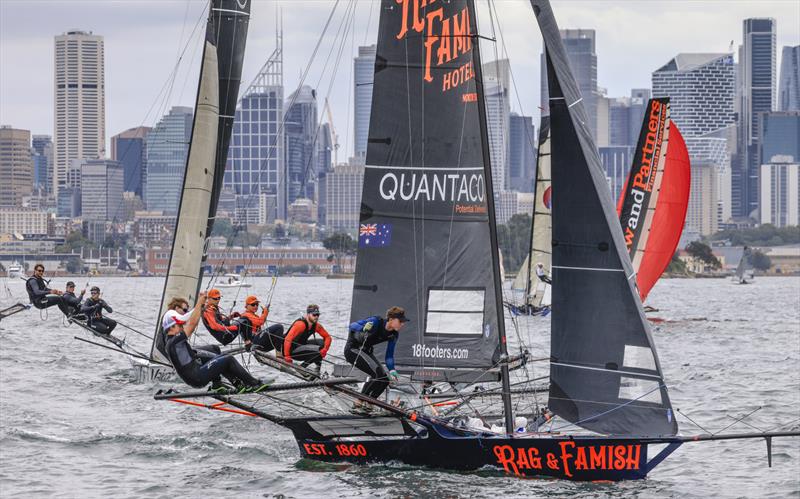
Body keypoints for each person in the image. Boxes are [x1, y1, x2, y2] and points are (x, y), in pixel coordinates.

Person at [164, 291, 266, 391]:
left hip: (194, 369)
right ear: (171, 327)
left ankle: (228, 384)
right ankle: (254, 384)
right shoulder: (175, 340)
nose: (182, 327)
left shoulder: (172, 339)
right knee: (228, 359)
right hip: (197, 377)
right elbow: (192, 324)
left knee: (216, 351)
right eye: (180, 325)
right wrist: (199, 303)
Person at [345, 306, 409, 413]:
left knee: (384, 380)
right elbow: (352, 326)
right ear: (391, 319)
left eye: (403, 322)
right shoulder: (376, 321)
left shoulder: (394, 334)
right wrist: (363, 328)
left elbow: (389, 356)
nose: (402, 324)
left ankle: (369, 403)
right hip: (353, 350)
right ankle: (358, 403)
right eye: (400, 321)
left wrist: (392, 370)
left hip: (366, 351)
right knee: (377, 374)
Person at [283, 304, 332, 375]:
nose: (316, 317)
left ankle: (318, 368)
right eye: (314, 315)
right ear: (308, 314)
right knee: (318, 351)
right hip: (292, 351)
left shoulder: (316, 326)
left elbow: (328, 337)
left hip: (302, 347)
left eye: (318, 315)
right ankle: (302, 368)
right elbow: (287, 339)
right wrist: (287, 356)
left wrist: (325, 349)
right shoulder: (300, 325)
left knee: (322, 344)